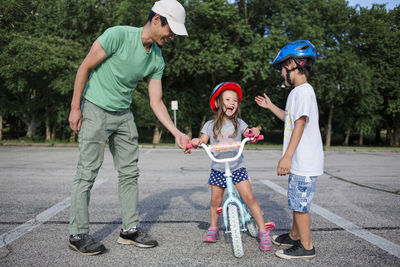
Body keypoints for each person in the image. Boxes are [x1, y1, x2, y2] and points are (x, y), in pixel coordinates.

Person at [67, 0, 190, 255]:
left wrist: (177, 133)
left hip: (123, 115)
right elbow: (85, 67)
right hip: (95, 108)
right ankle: (78, 233)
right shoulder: (118, 35)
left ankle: (130, 230)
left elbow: (156, 102)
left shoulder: (156, 58)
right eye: (171, 30)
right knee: (87, 172)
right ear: (157, 19)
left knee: (130, 173)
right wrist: (75, 107)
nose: (172, 37)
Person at [255, 40, 324, 259]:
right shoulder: (297, 93)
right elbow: (290, 119)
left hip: (303, 160)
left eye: (282, 68)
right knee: (295, 201)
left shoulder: (303, 91)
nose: (281, 73)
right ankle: (295, 235)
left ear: (293, 64)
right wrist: (270, 107)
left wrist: (287, 157)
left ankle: (306, 246)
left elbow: (300, 124)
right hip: (300, 160)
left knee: (300, 206)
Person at [189, 82, 273, 252]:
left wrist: (254, 131)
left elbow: (248, 132)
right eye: (227, 99)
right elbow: (203, 140)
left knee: (249, 198)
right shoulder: (209, 125)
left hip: (237, 167)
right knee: (215, 201)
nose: (232, 103)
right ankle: (213, 228)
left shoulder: (239, 123)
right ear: (218, 103)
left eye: (235, 100)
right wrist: (197, 141)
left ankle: (263, 231)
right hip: (218, 169)